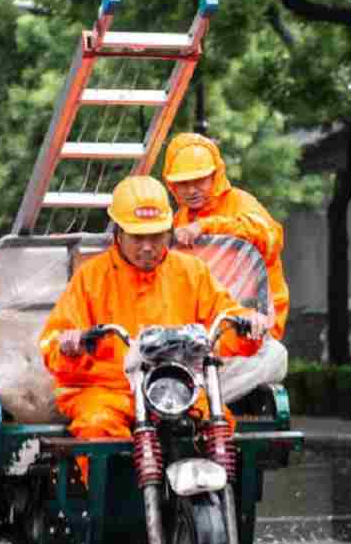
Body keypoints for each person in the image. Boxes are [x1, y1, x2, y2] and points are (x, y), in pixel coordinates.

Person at [39, 175, 266, 451]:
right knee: (98, 426)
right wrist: (70, 345)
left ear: (169, 231)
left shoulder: (192, 272)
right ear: (118, 234)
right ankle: (111, 494)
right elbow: (52, 343)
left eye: (156, 235)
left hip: (177, 387)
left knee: (218, 426)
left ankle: (222, 494)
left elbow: (226, 321)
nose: (147, 247)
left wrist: (248, 325)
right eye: (137, 237)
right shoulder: (91, 278)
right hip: (107, 392)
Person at [162, 132, 289, 402]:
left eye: (199, 180)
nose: (192, 189)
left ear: (215, 175)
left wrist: (207, 227)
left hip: (249, 332)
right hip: (197, 338)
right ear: (172, 185)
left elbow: (270, 237)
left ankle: (194, 404)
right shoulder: (178, 220)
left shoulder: (241, 203)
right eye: (183, 183)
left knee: (274, 357)